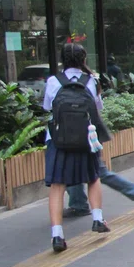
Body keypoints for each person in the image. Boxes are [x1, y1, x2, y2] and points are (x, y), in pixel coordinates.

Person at [44, 43, 110, 254]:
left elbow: (48, 107)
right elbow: (97, 108)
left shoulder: (53, 81)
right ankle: (98, 219)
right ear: (83, 60)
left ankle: (57, 235)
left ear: (62, 60)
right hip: (85, 139)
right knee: (92, 177)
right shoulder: (91, 81)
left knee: (57, 185)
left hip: (58, 140)